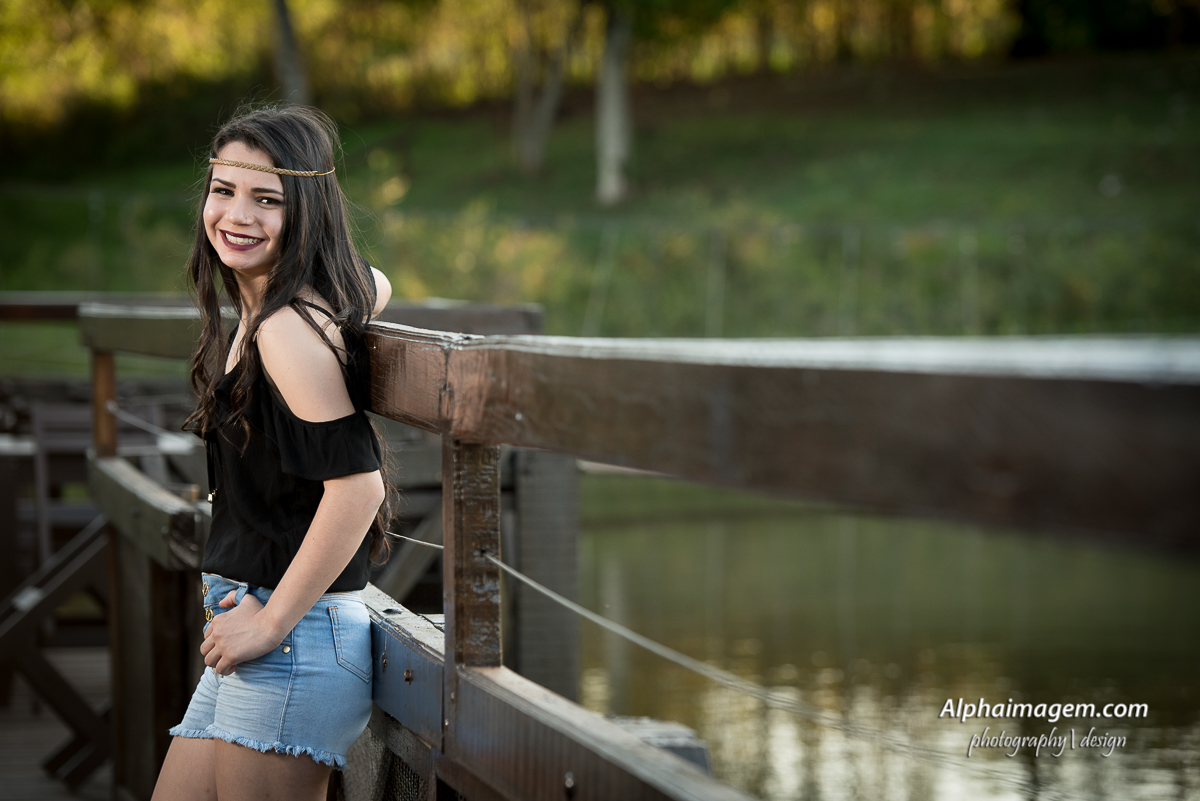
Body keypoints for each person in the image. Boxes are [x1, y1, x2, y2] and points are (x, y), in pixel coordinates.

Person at [153, 105, 394, 801]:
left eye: (268, 199)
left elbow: (359, 489)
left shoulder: (284, 330)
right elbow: (375, 281)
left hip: (290, 641)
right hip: (263, 634)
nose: (237, 215)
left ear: (308, 211)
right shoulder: (275, 310)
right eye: (224, 190)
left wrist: (269, 623)